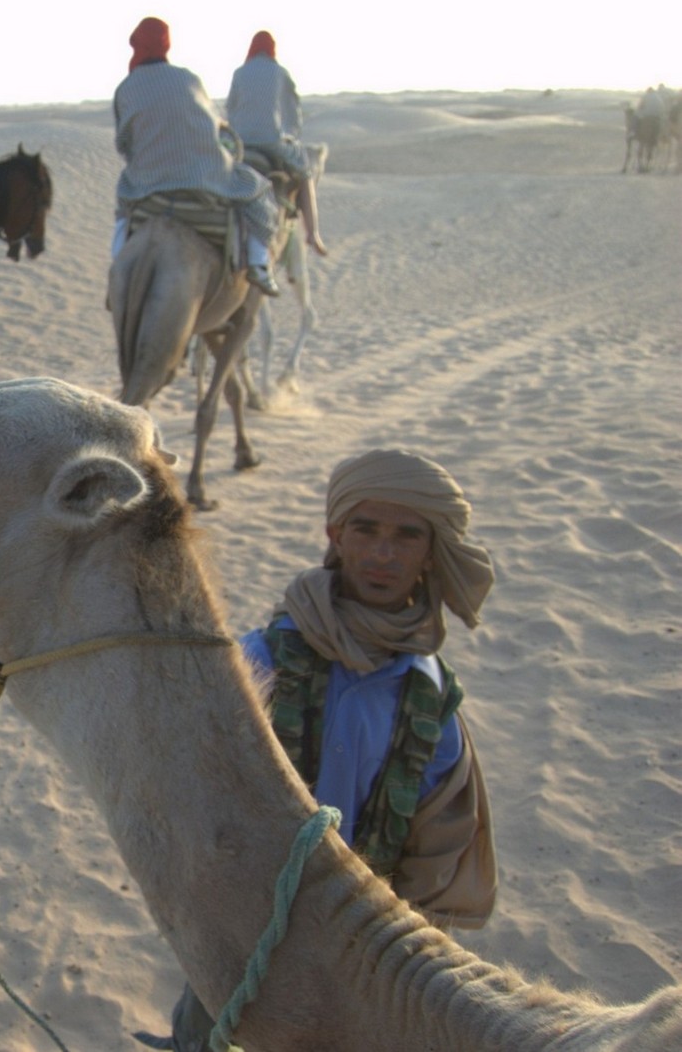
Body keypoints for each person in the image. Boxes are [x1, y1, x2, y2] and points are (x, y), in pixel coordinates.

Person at [158, 449, 500, 1052]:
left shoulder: (431, 703)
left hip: (362, 948)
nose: (383, 554)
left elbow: (435, 847)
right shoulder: (262, 658)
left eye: (406, 537)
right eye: (366, 530)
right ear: (335, 535)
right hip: (244, 927)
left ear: (430, 552)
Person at [112, 17, 282, 296]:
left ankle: (117, 268)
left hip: (147, 186)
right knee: (260, 191)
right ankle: (259, 264)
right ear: (166, 44)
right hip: (205, 179)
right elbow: (216, 126)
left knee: (122, 211)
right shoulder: (189, 80)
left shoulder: (125, 89)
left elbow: (124, 144)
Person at [226, 30, 328, 256]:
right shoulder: (281, 73)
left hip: (241, 144)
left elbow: (231, 109)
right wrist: (290, 135)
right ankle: (312, 233)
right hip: (272, 143)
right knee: (306, 173)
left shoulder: (239, 73)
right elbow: (292, 113)